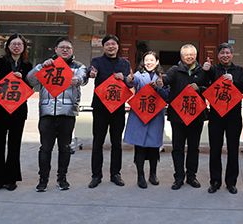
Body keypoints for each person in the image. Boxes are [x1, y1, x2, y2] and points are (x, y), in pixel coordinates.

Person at [27, 37, 87, 192]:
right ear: (56, 50)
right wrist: (41, 67)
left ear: (72, 50)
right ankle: (43, 180)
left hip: (67, 114)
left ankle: (62, 179)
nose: (65, 50)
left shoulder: (78, 66)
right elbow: (30, 80)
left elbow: (83, 77)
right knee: (45, 148)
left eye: (68, 48)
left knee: (65, 148)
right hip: (47, 113)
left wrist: (77, 80)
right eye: (62, 47)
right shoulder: (47, 65)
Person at [0, 33, 33, 192]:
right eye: (13, 44)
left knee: (14, 145)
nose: (16, 47)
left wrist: (23, 79)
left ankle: (11, 178)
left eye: (20, 44)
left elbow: (31, 86)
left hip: (18, 110)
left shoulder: (27, 65)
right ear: (8, 46)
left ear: (24, 47)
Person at [88, 34, 133, 188]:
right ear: (104, 47)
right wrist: (91, 74)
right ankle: (96, 175)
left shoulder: (125, 63)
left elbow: (129, 83)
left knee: (116, 142)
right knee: (98, 142)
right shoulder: (97, 61)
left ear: (118, 46)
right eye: (108, 44)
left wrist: (124, 78)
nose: (111, 46)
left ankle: (115, 174)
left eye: (113, 44)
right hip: (100, 108)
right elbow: (90, 72)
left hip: (117, 108)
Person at [164, 44, 210, 190]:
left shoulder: (203, 71)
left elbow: (210, 88)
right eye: (186, 54)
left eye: (192, 54)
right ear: (181, 56)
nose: (189, 57)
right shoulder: (174, 70)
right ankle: (178, 177)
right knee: (177, 148)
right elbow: (165, 81)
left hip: (196, 116)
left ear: (196, 55)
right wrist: (160, 80)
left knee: (193, 148)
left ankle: (192, 176)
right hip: (177, 116)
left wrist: (200, 88)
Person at [205, 43, 243, 194]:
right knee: (215, 150)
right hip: (216, 116)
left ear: (232, 55)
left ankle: (231, 182)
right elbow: (204, 84)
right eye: (222, 53)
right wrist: (205, 70)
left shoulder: (239, 70)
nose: (225, 55)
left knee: (233, 149)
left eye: (227, 53)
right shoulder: (213, 70)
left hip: (233, 117)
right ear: (218, 56)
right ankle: (215, 181)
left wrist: (233, 81)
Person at [123, 51, 169, 189]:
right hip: (140, 116)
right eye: (146, 60)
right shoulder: (138, 75)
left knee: (154, 147)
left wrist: (159, 87)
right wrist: (129, 80)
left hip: (155, 117)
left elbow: (167, 96)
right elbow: (131, 82)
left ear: (157, 62)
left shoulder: (162, 77)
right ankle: (140, 175)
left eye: (151, 60)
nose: (149, 62)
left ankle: (153, 174)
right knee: (140, 147)